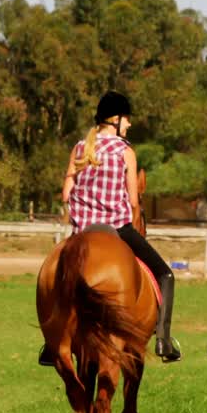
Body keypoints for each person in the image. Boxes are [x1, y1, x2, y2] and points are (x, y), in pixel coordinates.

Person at [38, 91, 182, 365]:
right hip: (118, 226)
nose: (129, 125)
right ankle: (163, 340)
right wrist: (134, 219)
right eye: (127, 120)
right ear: (116, 120)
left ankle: (51, 343)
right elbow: (132, 200)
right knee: (165, 274)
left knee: (54, 277)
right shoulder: (125, 152)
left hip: (82, 231)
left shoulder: (81, 148)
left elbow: (66, 194)